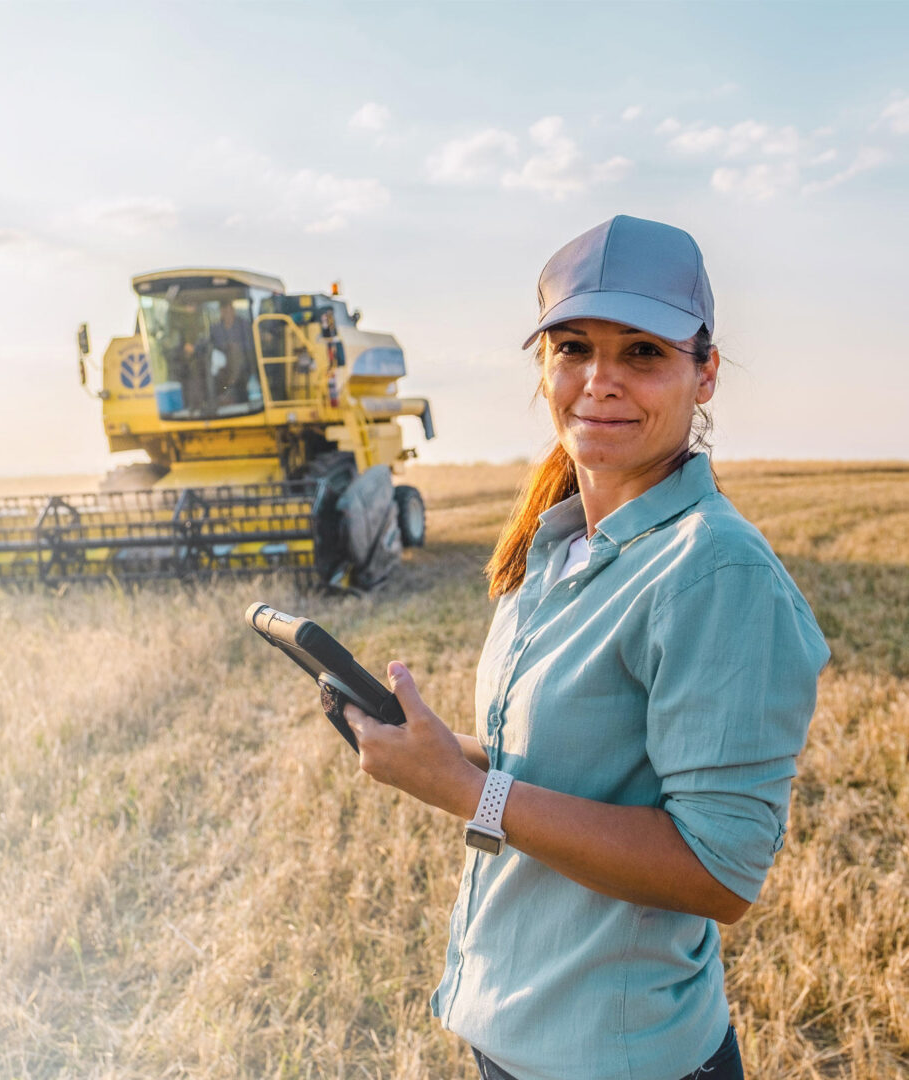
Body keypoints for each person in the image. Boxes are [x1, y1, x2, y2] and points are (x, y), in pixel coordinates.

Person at [322, 215, 829, 1080]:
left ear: (704, 373)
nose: (600, 381)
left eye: (643, 352)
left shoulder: (716, 571)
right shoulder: (557, 546)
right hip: (515, 1036)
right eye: (573, 348)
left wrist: (469, 791)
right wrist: (441, 755)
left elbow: (716, 872)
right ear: (542, 367)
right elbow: (565, 771)